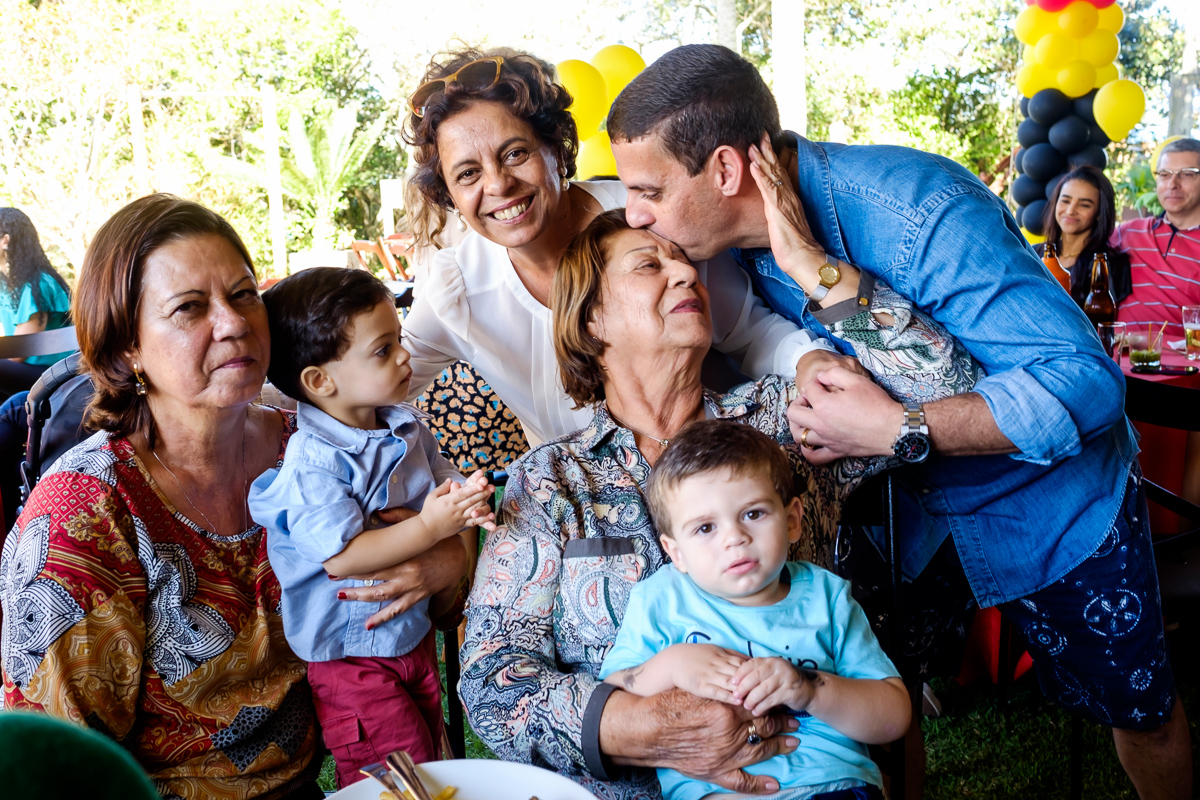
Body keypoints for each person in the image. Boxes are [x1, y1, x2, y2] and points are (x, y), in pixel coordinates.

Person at [607, 44, 1190, 799]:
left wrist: (894, 429)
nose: (635, 212)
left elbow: (1083, 386)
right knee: (882, 702)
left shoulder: (915, 208)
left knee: (1139, 714)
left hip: (1050, 500)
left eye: (647, 189)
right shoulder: (709, 250)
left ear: (725, 172)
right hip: (908, 519)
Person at [460, 209, 969, 800]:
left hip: (809, 779)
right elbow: (493, 683)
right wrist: (650, 729)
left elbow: (947, 389)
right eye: (650, 265)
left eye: (687, 263)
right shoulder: (550, 483)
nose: (685, 275)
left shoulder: (782, 422)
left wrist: (814, 273)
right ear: (592, 317)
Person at [0, 194, 471, 798]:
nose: (233, 322)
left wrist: (448, 558)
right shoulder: (87, 514)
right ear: (128, 348)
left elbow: (445, 568)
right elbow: (57, 766)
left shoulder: (322, 446)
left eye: (244, 294)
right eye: (190, 308)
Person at [400, 46, 836, 451]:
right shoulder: (454, 289)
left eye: (515, 154)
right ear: (449, 194)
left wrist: (810, 362)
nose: (497, 185)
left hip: (704, 473)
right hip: (577, 505)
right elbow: (366, 385)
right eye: (467, 174)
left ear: (555, 147)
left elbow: (751, 333)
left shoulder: (647, 218)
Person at [248, 267, 494, 788]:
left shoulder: (403, 422)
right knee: (393, 782)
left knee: (431, 763)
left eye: (399, 339)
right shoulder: (313, 461)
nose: (405, 356)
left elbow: (439, 475)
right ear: (320, 380)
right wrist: (431, 527)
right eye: (384, 350)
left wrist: (462, 499)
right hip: (353, 661)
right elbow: (342, 556)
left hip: (411, 636)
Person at [599, 420, 910, 800]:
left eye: (753, 514)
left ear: (792, 520)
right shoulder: (661, 600)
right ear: (676, 552)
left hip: (831, 785)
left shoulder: (825, 597)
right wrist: (673, 664)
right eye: (705, 528)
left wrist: (808, 689)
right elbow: (612, 693)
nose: (735, 538)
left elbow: (894, 716)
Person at [1114, 138, 1200, 340]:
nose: (1173, 184)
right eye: (1164, 174)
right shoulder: (1126, 233)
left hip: (1186, 368)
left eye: (1187, 174)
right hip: (1116, 364)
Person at [1034, 166, 1130, 310]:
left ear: (1099, 213)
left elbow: (1111, 325)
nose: (1070, 210)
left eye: (1084, 205)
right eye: (1065, 201)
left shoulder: (1108, 264)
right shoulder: (1033, 254)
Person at [0, 208, 73, 395]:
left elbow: (17, 352)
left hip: (57, 375)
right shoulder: (6, 284)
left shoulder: (37, 284)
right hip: (24, 369)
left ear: (5, 241)